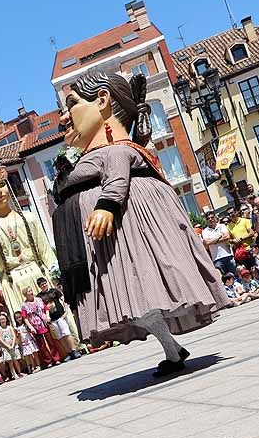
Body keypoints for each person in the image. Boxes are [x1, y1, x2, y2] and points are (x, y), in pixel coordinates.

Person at [51, 71, 228, 378]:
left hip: (123, 229)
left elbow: (117, 177)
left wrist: (107, 205)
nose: (64, 118)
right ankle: (171, 349)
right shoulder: (98, 154)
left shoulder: (119, 149)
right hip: (104, 239)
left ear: (103, 101)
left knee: (139, 291)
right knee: (136, 301)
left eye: (73, 105)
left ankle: (171, 347)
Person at [0, 165, 58, 315]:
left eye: (1, 185)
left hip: (40, 276)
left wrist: (55, 273)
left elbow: (45, 250)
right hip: (13, 285)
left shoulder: (29, 218)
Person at [36, 277, 81, 363]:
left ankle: (74, 350)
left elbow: (63, 299)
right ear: (39, 286)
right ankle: (68, 353)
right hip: (51, 320)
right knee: (60, 337)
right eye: (42, 285)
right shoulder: (39, 297)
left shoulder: (54, 290)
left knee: (66, 333)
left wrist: (66, 311)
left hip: (60, 315)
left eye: (45, 283)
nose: (44, 285)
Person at [202, 211, 236, 275]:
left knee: (234, 275)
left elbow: (227, 237)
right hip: (217, 259)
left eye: (212, 217)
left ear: (215, 217)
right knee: (224, 278)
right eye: (208, 218)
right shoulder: (205, 231)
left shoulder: (222, 226)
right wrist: (219, 236)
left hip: (228, 255)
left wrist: (212, 241)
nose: (210, 219)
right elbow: (207, 242)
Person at [0, 312, 24, 381]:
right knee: (10, 361)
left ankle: (19, 372)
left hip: (13, 346)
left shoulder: (9, 327)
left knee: (15, 359)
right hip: (6, 348)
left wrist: (13, 344)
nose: (2, 320)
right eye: (1, 319)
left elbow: (13, 336)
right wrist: (7, 346)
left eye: (3, 319)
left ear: (6, 319)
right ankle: (14, 373)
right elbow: (0, 339)